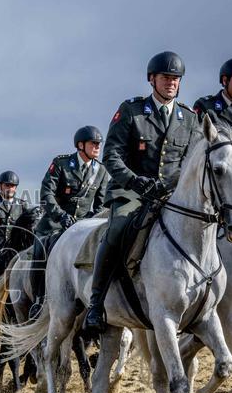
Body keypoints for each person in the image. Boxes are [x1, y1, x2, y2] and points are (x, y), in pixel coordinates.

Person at [84, 51, 202, 332]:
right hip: (131, 192)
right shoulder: (131, 111)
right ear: (152, 79)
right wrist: (135, 181)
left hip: (172, 193)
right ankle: (96, 303)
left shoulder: (189, 118)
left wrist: (174, 185)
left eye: (175, 78)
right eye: (166, 77)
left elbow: (192, 161)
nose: (171, 83)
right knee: (117, 229)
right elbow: (112, 155)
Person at [30, 126, 110, 315]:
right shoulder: (62, 164)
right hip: (54, 225)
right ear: (81, 145)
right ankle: (39, 299)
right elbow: (46, 193)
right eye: (93, 143)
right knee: (41, 252)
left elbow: (101, 204)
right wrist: (61, 216)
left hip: (81, 227)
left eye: (99, 144)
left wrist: (91, 220)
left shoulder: (101, 171)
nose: (97, 147)